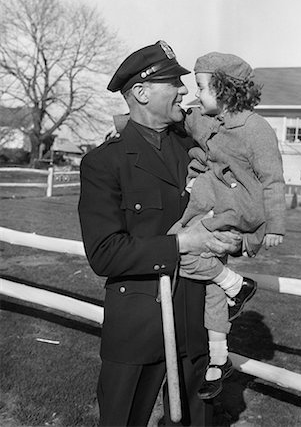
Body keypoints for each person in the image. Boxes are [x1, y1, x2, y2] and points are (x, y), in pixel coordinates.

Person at [78, 41, 243, 427]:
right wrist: (183, 243)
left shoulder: (194, 148)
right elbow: (105, 254)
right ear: (141, 92)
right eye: (175, 83)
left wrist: (231, 235)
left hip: (194, 320)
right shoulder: (104, 162)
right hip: (137, 324)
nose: (185, 91)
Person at [167, 52, 286, 400]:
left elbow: (273, 180)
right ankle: (219, 360)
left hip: (234, 207)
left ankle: (237, 284)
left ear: (224, 89)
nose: (196, 96)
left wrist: (274, 226)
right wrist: (122, 122)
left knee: (176, 246)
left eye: (202, 88)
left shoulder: (256, 129)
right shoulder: (207, 118)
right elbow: (181, 117)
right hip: (217, 203)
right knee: (213, 286)